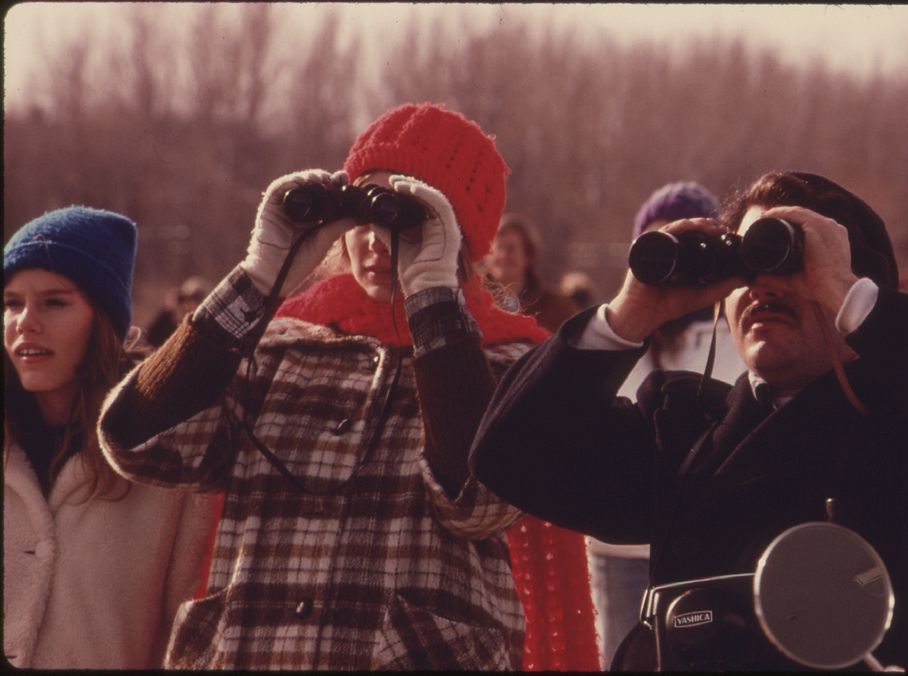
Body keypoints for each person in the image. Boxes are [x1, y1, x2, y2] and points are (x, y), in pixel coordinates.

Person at [97, 103, 599, 670]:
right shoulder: (279, 348)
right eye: (364, 208)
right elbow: (139, 445)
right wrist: (260, 275)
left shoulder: (509, 361)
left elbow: (479, 507)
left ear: (460, 233)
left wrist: (432, 294)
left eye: (406, 214)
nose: (375, 239)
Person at [471, 171, 908, 671]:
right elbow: (509, 456)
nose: (766, 287)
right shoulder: (682, 431)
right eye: (746, 266)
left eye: (793, 261)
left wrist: (847, 291)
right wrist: (628, 314)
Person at [3, 206, 217, 669]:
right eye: (12, 303)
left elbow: (192, 631)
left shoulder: (167, 456)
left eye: (54, 302)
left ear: (103, 321)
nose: (25, 322)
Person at [587, 181, 745, 668]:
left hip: (703, 555)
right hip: (620, 551)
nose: (675, 268)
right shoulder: (620, 331)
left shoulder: (735, 334)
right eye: (660, 248)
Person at [487, 212, 578, 332]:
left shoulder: (555, 307)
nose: (504, 256)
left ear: (528, 256)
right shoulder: (473, 302)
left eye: (511, 249)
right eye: (499, 248)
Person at [145, 275, 211, 347]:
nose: (189, 303)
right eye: (187, 299)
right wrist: (169, 311)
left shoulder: (202, 325)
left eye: (195, 299)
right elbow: (149, 337)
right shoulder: (170, 318)